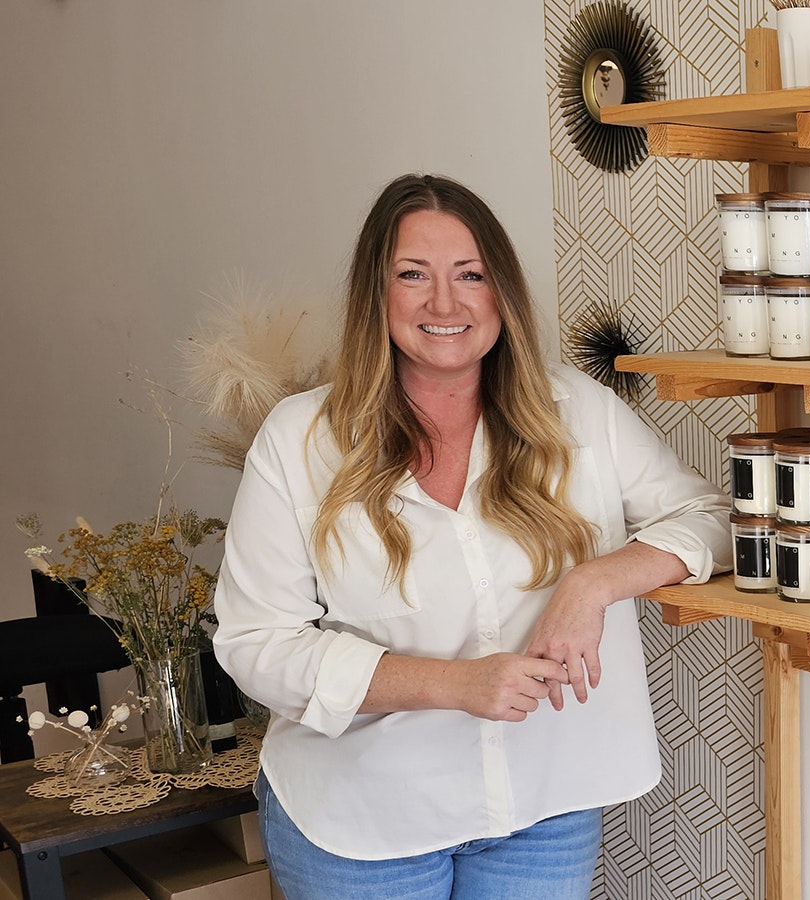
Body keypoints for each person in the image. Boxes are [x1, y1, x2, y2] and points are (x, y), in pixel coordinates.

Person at [213, 173, 732, 899]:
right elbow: (257, 644)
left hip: (543, 805)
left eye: (470, 275)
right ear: (376, 294)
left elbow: (711, 519)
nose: (445, 304)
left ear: (501, 293)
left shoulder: (576, 412)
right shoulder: (300, 440)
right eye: (413, 276)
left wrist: (593, 582)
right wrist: (455, 685)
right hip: (363, 818)